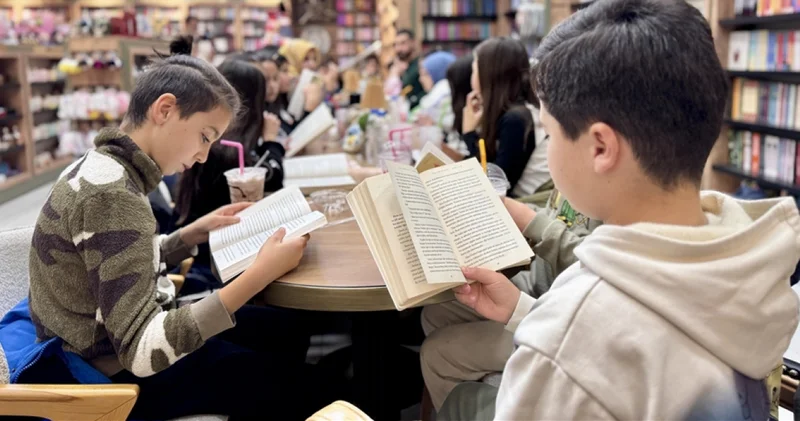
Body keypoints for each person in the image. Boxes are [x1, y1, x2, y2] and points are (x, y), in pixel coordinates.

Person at [438, 1, 800, 420]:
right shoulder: (749, 263)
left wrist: (549, 328)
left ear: (600, 147)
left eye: (551, 135)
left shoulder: (567, 338)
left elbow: (595, 344)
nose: (549, 150)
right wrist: (525, 311)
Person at [25, 36, 338, 420]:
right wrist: (257, 276)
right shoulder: (113, 195)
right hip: (111, 380)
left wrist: (185, 237)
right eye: (204, 137)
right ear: (165, 110)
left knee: (283, 331)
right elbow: (141, 352)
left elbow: (109, 261)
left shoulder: (103, 167)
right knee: (308, 388)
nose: (204, 154)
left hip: (99, 345)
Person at [175, 57, 285, 281]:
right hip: (217, 266)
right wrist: (271, 141)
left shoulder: (220, 144)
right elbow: (274, 180)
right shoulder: (224, 151)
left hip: (212, 257)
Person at [463, 37, 549, 197]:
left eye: (474, 70)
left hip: (525, 207)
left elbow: (494, 188)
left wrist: (469, 134)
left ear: (489, 74)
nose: (471, 78)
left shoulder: (517, 119)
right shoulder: (516, 113)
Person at [412, 51, 456, 131]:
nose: (421, 79)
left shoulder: (446, 98)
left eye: (425, 74)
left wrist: (432, 125)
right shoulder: (433, 98)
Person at [394, 29, 425, 108]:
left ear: (413, 42)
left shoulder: (421, 64)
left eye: (403, 43)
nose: (399, 48)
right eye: (396, 44)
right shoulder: (401, 67)